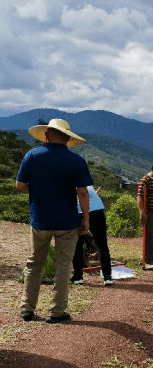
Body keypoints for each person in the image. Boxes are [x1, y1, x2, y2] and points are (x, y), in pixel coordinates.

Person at [16, 118, 92, 323]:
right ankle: (57, 311)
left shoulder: (32, 155)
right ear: (67, 138)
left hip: (40, 220)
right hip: (67, 222)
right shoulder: (76, 161)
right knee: (63, 266)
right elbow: (83, 192)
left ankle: (27, 309)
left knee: (34, 264)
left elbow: (20, 185)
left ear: (47, 135)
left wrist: (39, 192)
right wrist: (86, 219)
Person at [71, 185, 114, 286]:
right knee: (102, 243)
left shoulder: (64, 181)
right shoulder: (83, 179)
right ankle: (107, 277)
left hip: (79, 211)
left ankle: (78, 277)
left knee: (77, 244)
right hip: (97, 209)